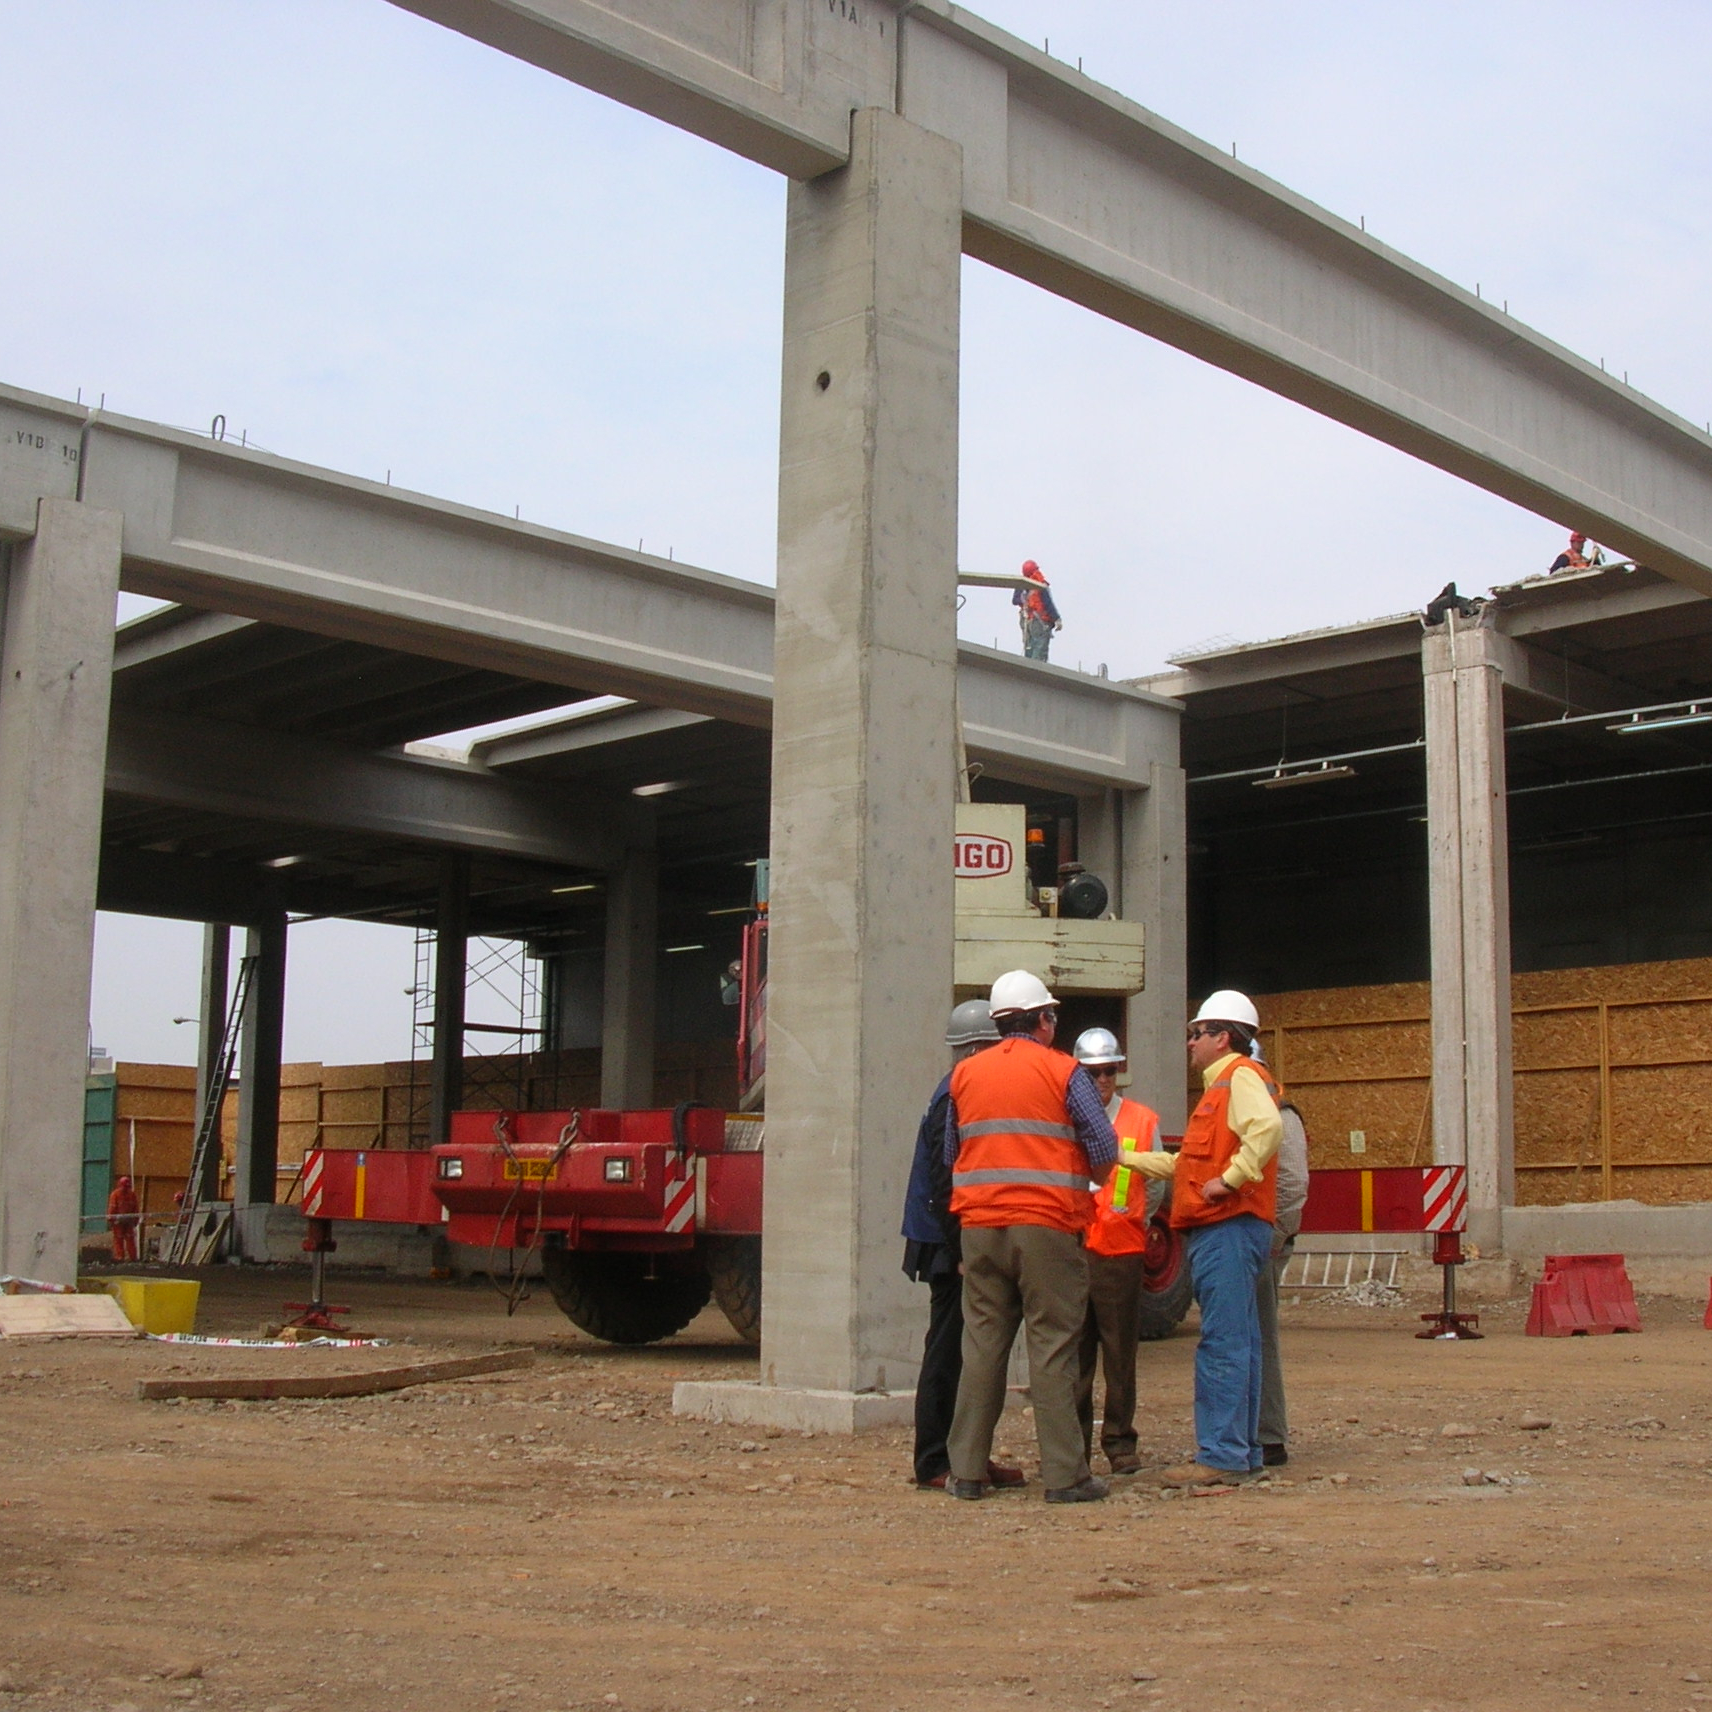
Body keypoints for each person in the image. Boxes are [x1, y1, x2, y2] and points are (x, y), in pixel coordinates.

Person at [943, 970, 1119, 1504]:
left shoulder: (964, 1077)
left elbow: (953, 1153)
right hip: (1046, 1226)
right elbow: (1105, 1148)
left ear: (998, 1024)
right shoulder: (1065, 1072)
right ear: (1043, 1021)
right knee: (1053, 1346)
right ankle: (1066, 1476)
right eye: (1053, 1017)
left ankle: (966, 1472)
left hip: (980, 1228)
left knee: (982, 1346)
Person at [1121, 990, 1282, 1487]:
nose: (1189, 1042)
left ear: (1223, 1037)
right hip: (1230, 1227)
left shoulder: (1238, 1080)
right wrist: (1122, 1158)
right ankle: (1242, 1450)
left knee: (1223, 1343)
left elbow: (1267, 1127)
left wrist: (1231, 1180)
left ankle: (1224, 1455)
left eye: (1197, 1033)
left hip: (1227, 1226)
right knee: (1241, 1340)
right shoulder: (1221, 1089)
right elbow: (1186, 1165)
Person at [901, 999, 1025, 1493]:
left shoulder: (957, 1089)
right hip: (945, 1238)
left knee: (969, 1349)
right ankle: (935, 1460)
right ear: (977, 1048)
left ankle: (966, 1451)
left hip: (947, 1234)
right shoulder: (956, 1094)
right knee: (948, 1350)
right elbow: (944, 1177)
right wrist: (959, 1248)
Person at [1071, 1028, 1162, 1478]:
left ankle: (1120, 1442)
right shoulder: (1066, 1121)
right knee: (1075, 1357)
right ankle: (1074, 1446)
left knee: (1120, 1354)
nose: (1102, 1080)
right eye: (1092, 1073)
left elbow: (1159, 1179)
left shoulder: (1142, 1120)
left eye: (1109, 1071)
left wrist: (1136, 1220)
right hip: (1076, 1248)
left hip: (1122, 1251)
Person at [1253, 1055, 1310, 1467]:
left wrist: (1270, 1241)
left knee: (1261, 1336)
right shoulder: (1246, 1107)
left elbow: (1292, 1185)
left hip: (1259, 1244)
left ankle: (1268, 1435)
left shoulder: (1280, 1115)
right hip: (1243, 1243)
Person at [1013, 560, 1062, 662]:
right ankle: (1036, 672)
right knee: (1040, 648)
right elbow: (1048, 603)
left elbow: (1014, 600)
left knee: (1029, 647)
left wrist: (1024, 603)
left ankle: (1027, 668)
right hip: (1040, 622)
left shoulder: (1021, 584)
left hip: (1026, 621)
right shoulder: (1039, 583)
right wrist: (1057, 619)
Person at [106, 1175, 141, 1263]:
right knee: (120, 1239)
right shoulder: (116, 1194)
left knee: (128, 1240)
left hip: (126, 1221)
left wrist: (135, 1219)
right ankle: (121, 1257)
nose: (125, 1189)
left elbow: (135, 1208)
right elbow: (112, 1207)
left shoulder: (130, 1194)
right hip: (120, 1221)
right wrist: (111, 1218)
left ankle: (129, 1258)